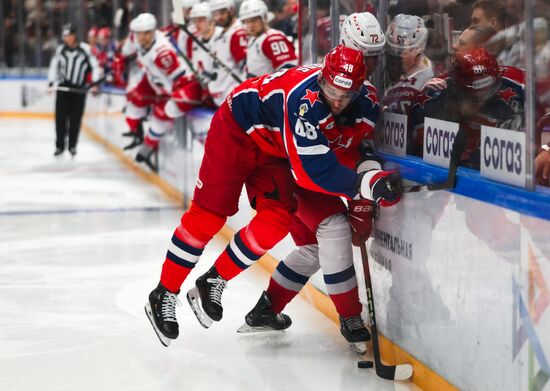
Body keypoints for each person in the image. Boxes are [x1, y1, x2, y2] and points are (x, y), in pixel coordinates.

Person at [144, 44, 402, 347]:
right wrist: (368, 185)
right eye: (331, 90)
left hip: (274, 150)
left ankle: (215, 278)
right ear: (322, 78)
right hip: (236, 130)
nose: (337, 101)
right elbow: (312, 173)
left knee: (277, 221)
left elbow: (354, 149)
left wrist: (365, 185)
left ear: (360, 89)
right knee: (208, 218)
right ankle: (164, 292)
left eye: (346, 95)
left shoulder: (368, 104)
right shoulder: (304, 102)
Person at [238, 12, 390, 354]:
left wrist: (362, 197)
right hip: (293, 170)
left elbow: (358, 146)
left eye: (375, 54)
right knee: (334, 229)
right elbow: (315, 161)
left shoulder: (362, 94)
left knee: (312, 248)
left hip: (311, 172)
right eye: (364, 53)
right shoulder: (320, 87)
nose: (370, 62)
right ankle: (351, 317)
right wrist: (361, 192)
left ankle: (267, 309)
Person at [411, 46, 524, 168]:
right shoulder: (434, 94)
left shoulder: (519, 84)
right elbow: (421, 148)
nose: (481, 99)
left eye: (488, 92)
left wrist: (547, 148)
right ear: (455, 86)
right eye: (472, 95)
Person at [123, 13, 200, 170]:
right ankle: (136, 133)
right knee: (133, 99)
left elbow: (180, 80)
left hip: (173, 86)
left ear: (152, 31)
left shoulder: (162, 53)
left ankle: (149, 146)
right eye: (139, 33)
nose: (142, 37)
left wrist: (166, 96)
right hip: (155, 81)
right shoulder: (138, 41)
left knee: (164, 111)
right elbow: (125, 52)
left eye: (146, 33)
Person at [47, 23, 101, 156]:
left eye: (70, 35)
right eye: (66, 36)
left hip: (79, 90)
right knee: (60, 119)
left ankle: (72, 146)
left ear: (75, 35)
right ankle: (59, 146)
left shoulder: (86, 49)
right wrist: (51, 83)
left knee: (75, 119)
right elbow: (54, 66)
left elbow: (95, 66)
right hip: (63, 88)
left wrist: (94, 83)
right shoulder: (60, 50)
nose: (68, 38)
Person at [239, 0, 297, 78]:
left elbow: (289, 72)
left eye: (254, 20)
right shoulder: (253, 40)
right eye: (247, 21)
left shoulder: (273, 38)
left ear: (264, 18)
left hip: (271, 89)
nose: (251, 25)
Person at [207, 0, 248, 106]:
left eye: (222, 12)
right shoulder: (220, 33)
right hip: (222, 99)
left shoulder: (237, 33)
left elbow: (246, 68)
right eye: (215, 13)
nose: (218, 17)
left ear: (231, 10)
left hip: (234, 99)